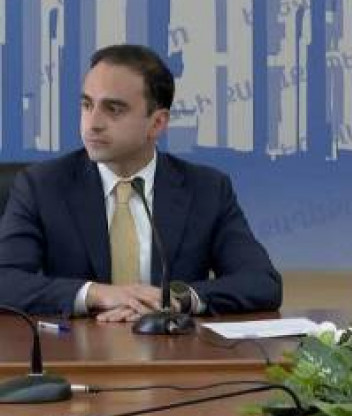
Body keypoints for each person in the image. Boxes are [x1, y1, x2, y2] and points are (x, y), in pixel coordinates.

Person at [0, 44, 282, 319]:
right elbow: (5, 280)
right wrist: (97, 294)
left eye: (113, 109)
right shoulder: (41, 186)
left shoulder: (206, 189)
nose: (93, 123)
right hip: (77, 347)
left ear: (157, 123)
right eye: (87, 105)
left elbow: (261, 281)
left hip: (173, 348)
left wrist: (176, 299)